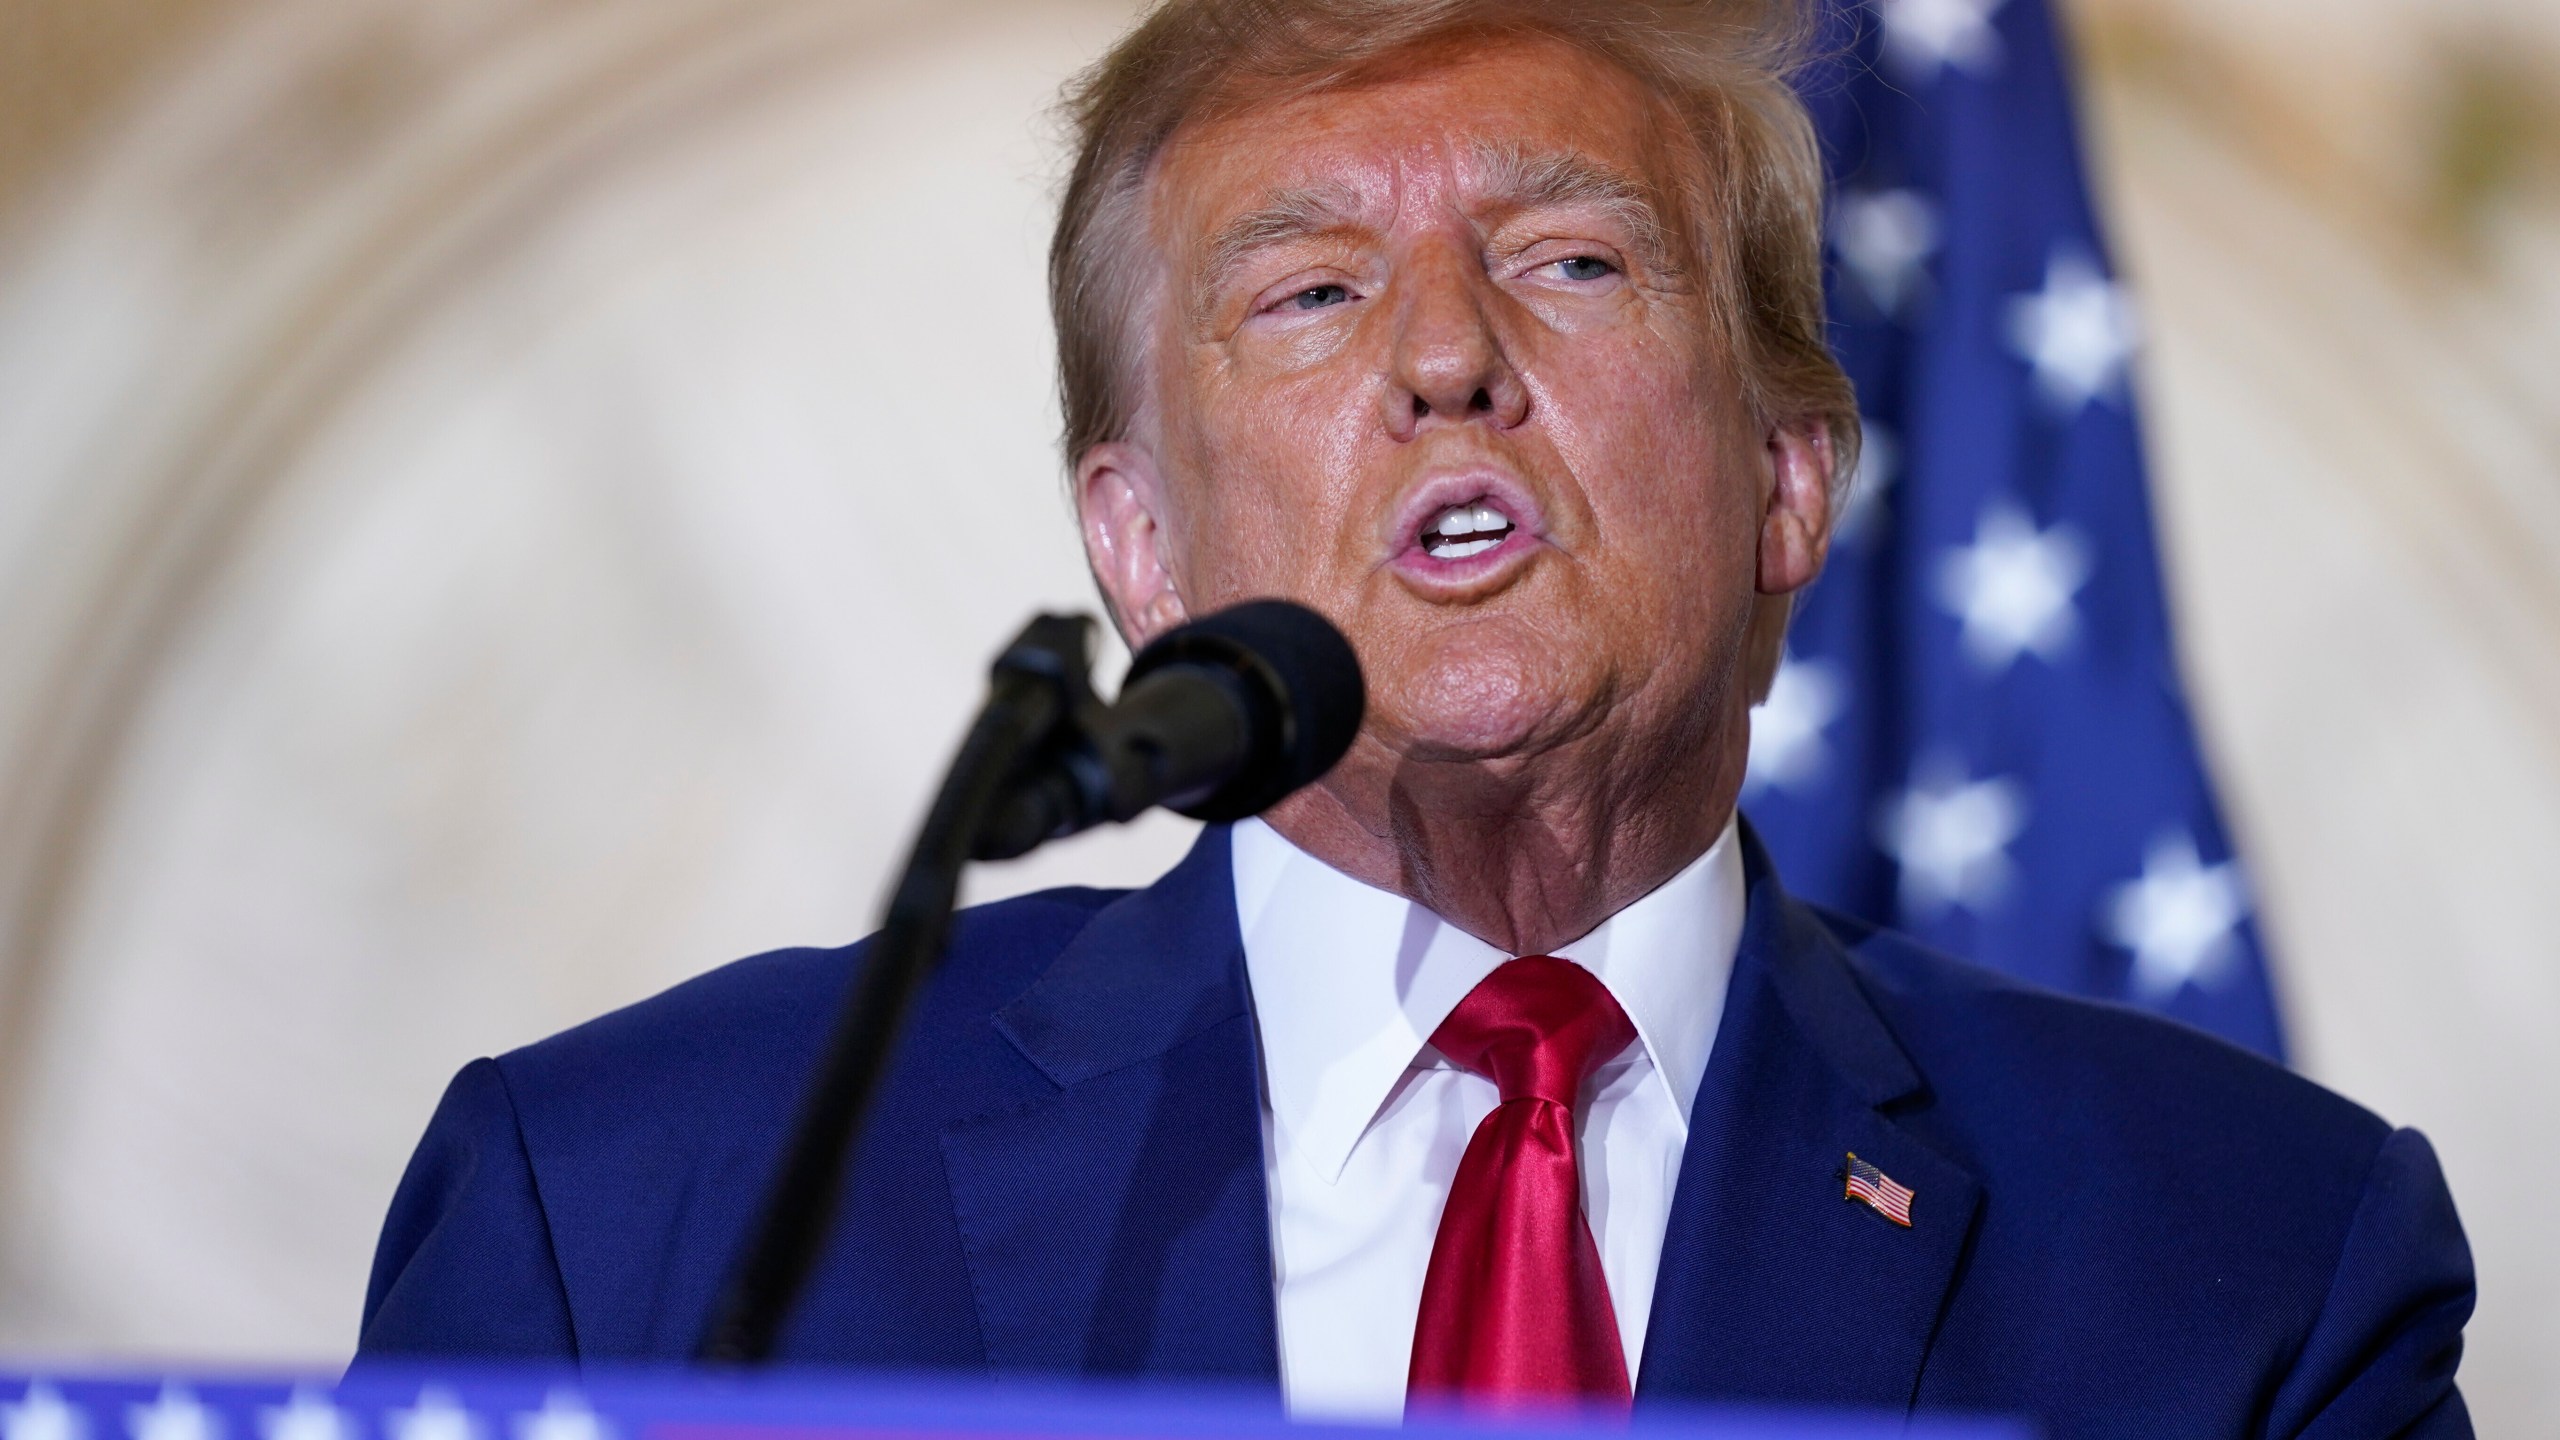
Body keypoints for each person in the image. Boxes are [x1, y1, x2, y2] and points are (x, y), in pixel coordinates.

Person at [356, 1, 2475, 1434]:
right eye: (1305, 290)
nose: (1442, 357)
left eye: (1567, 263)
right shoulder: (628, 1219)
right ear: (1138, 547)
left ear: (1781, 487)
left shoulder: (2253, 1264)